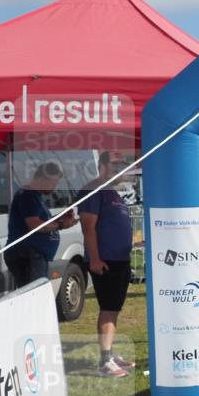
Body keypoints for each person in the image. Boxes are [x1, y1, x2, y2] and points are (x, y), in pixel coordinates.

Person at [79, 151, 135, 378]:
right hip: (105, 261)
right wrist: (94, 258)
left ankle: (110, 354)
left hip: (120, 260)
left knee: (114, 309)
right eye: (115, 163)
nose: (120, 167)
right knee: (109, 308)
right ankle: (105, 361)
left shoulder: (113, 192)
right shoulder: (93, 189)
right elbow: (88, 227)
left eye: (122, 163)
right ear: (102, 165)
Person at [4, 162, 78, 288]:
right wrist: (61, 224)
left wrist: (61, 217)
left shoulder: (35, 196)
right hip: (28, 255)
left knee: (35, 293)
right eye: (53, 183)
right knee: (33, 295)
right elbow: (35, 225)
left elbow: (42, 221)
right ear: (42, 179)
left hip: (33, 255)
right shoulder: (28, 195)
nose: (54, 188)